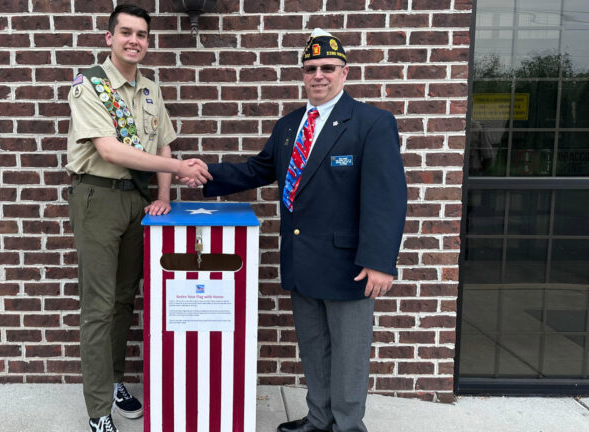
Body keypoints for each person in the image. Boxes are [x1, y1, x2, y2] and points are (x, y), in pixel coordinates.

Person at [200, 29, 407, 432]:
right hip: (301, 261)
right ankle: (319, 418)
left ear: (345, 72)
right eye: (310, 68)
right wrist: (205, 173)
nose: (318, 75)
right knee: (314, 348)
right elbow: (257, 170)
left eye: (327, 67)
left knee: (349, 354)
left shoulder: (371, 123)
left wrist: (381, 262)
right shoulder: (289, 126)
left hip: (351, 266)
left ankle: (347, 426)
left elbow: (387, 196)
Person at [65, 4, 211, 432]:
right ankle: (98, 412)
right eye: (126, 32)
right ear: (109, 38)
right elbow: (110, 150)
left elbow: (163, 143)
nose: (134, 41)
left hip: (137, 201)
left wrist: (164, 194)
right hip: (98, 198)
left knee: (125, 297)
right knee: (98, 306)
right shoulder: (90, 85)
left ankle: (113, 381)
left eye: (142, 34)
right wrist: (180, 169)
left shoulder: (149, 88)